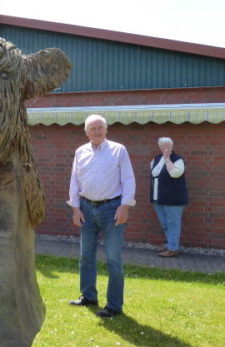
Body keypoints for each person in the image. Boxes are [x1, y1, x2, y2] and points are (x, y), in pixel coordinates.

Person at [67, 114, 136, 318]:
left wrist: (125, 206)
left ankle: (114, 305)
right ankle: (88, 296)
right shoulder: (80, 152)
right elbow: (74, 181)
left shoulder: (118, 150)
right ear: (86, 132)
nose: (97, 131)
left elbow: (128, 179)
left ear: (106, 130)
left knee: (113, 259)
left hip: (112, 209)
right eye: (92, 128)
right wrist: (75, 208)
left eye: (100, 128)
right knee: (85, 256)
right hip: (86, 209)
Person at [150, 137, 188, 257]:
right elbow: (153, 174)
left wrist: (167, 158)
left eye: (167, 146)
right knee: (165, 224)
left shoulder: (178, 159)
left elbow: (175, 173)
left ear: (172, 147)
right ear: (159, 147)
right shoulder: (155, 159)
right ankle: (170, 245)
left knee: (173, 223)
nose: (165, 148)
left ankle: (173, 248)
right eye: (163, 146)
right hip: (158, 198)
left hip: (173, 199)